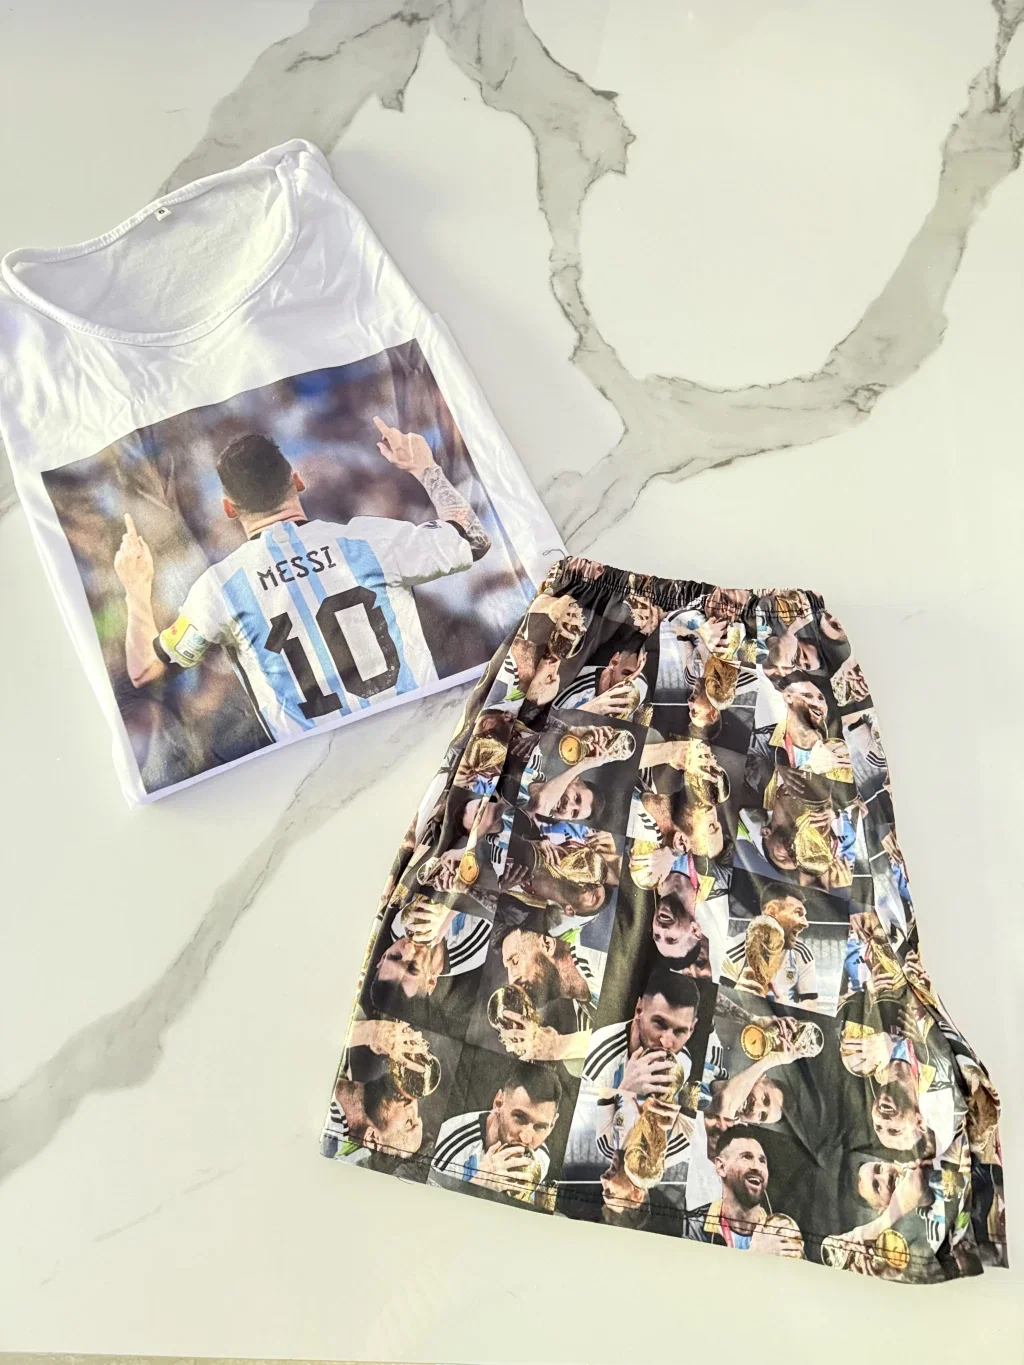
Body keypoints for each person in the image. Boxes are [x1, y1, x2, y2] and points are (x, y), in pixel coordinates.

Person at [113, 418, 490, 739]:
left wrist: (136, 588)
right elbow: (473, 539)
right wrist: (425, 468)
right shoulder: (366, 541)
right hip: (421, 736)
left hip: (319, 771)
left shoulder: (221, 587)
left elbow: (144, 670)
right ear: (297, 482)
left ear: (229, 508)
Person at [429, 1062, 562, 1201]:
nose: (526, 1139)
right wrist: (475, 1187)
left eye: (540, 1127)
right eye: (519, 1117)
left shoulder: (541, 1158)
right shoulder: (449, 1146)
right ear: (499, 1103)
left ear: (552, 1125)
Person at [582, 966, 699, 1097]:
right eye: (660, 1024)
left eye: (679, 1031)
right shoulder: (601, 1056)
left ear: (691, 1030)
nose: (666, 1043)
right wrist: (624, 1091)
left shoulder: (683, 1060)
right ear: (639, 1010)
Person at [690, 1126, 803, 1256]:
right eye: (746, 1157)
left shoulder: (783, 1233)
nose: (757, 1167)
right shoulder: (693, 1225)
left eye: (762, 1161)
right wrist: (756, 1255)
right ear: (721, 1167)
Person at [368, 900, 491, 1015]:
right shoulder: (477, 943)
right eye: (413, 967)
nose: (409, 947)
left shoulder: (397, 929)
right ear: (431, 982)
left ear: (384, 955)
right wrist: (452, 908)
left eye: (395, 956)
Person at [722, 887, 819, 1008]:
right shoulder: (731, 951)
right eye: (798, 913)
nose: (805, 923)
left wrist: (787, 1008)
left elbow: (811, 1003)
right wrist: (736, 998)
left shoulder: (802, 953)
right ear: (772, 911)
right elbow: (719, 1003)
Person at [322, 1071, 424, 1161]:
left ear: (371, 1138)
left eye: (408, 1122)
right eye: (418, 1114)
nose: (413, 1102)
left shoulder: (325, 1138)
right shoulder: (345, 1067)